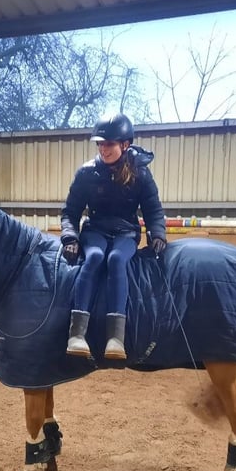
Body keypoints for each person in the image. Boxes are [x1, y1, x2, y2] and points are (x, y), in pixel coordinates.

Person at [60, 112, 167, 360]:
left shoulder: (140, 173)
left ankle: (115, 338)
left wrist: (157, 234)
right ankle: (76, 334)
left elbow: (153, 208)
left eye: (108, 144)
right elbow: (71, 211)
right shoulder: (86, 173)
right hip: (95, 230)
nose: (103, 149)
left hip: (126, 232)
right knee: (95, 257)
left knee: (117, 260)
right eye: (100, 143)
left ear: (125, 144)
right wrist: (70, 237)